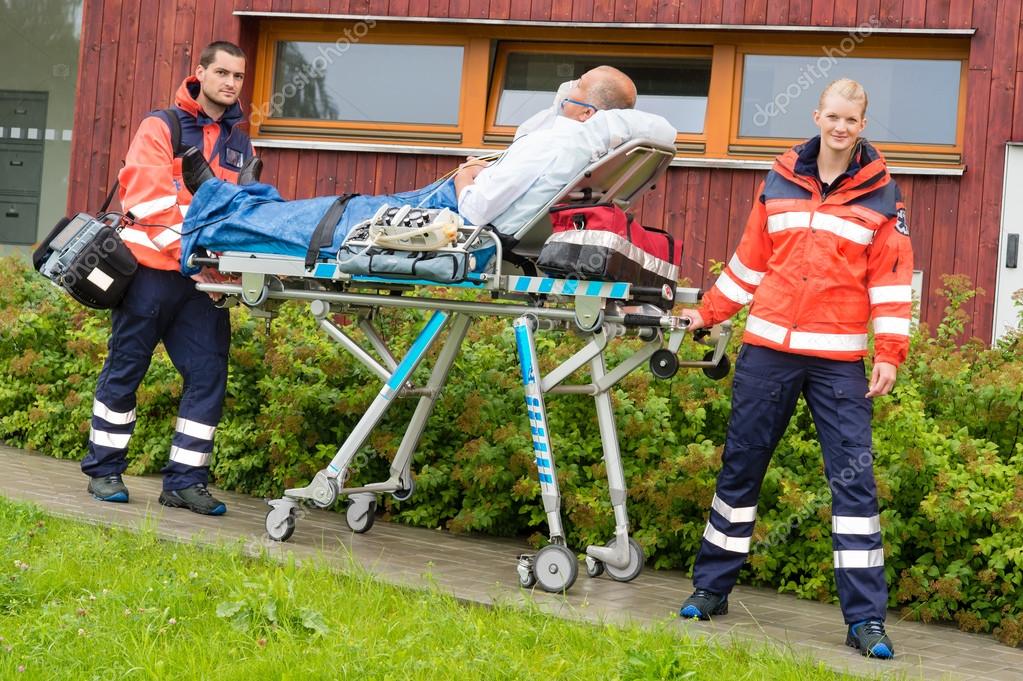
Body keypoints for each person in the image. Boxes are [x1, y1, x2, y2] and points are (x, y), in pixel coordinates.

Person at [676, 79, 913, 660]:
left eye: (850, 120)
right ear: (817, 115)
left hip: (837, 364)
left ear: (863, 125)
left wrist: (889, 355)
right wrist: (706, 313)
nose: (839, 127)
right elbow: (750, 262)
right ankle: (711, 589)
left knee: (853, 483)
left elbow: (891, 284)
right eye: (832, 116)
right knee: (741, 470)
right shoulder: (778, 178)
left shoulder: (883, 197)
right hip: (766, 352)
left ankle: (866, 622)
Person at [176, 66, 670, 268]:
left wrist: (466, 178)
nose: (566, 86)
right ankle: (242, 197)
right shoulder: (580, 143)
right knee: (322, 211)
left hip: (447, 218)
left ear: (588, 108)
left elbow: (480, 205)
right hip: (452, 216)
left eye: (576, 84)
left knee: (322, 222)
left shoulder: (561, 141)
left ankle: (212, 202)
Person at [81, 41, 259, 516]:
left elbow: (239, 209)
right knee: (126, 370)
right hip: (150, 275)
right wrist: (197, 253)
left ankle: (184, 482)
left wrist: (237, 265)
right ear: (199, 73)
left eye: (238, 77)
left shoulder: (241, 142)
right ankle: (103, 471)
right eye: (222, 73)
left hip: (203, 283)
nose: (230, 83)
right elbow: (149, 201)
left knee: (207, 375)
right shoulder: (161, 125)